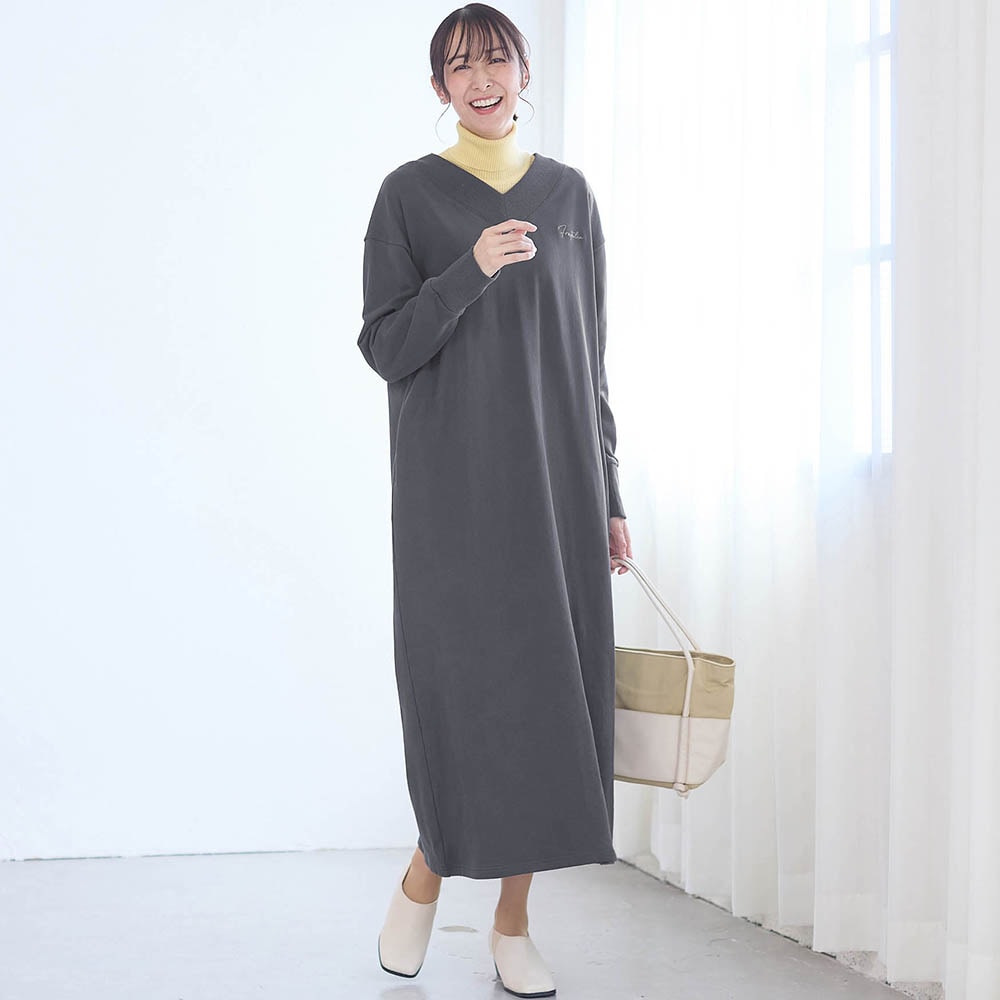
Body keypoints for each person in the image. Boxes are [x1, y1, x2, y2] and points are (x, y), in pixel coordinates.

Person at [357, 4, 633, 996]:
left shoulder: (570, 196)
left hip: (560, 493)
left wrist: (611, 493)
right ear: (439, 87)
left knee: (549, 706)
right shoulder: (409, 196)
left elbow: (590, 362)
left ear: (523, 72)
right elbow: (385, 347)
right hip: (454, 495)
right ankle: (428, 869)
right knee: (464, 697)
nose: (482, 80)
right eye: (461, 66)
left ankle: (512, 924)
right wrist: (467, 272)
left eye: (497, 60)